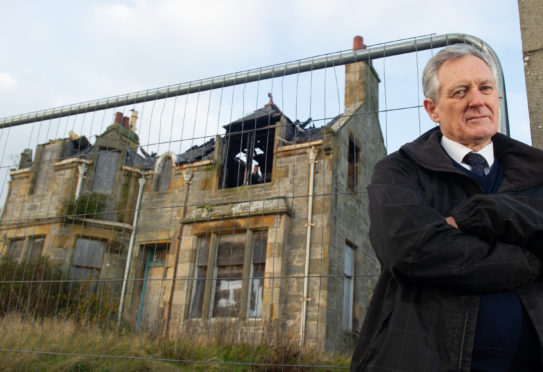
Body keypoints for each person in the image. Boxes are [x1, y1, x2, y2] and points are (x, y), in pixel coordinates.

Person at [350, 44, 543, 371]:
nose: (477, 100)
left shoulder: (536, 170)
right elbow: (413, 251)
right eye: (460, 91)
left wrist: (480, 215)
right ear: (433, 109)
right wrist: (527, 260)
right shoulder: (398, 171)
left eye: (485, 88)